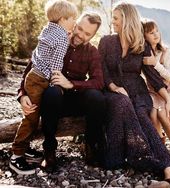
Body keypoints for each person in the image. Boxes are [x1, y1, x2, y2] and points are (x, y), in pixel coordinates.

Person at [12, 11, 106, 175]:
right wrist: (22, 95)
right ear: (75, 24)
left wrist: (71, 84)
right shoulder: (55, 40)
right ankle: (49, 150)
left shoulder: (92, 52)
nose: (81, 35)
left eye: (87, 34)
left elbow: (98, 82)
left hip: (75, 100)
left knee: (97, 97)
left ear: (93, 36)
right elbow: (32, 68)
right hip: (51, 102)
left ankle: (91, 146)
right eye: (80, 28)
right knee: (52, 92)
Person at [98, 1, 170, 185]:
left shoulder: (142, 45)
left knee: (142, 115)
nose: (113, 22)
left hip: (138, 92)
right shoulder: (106, 42)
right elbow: (102, 69)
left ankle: (167, 167)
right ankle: (148, 159)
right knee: (122, 103)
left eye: (116, 18)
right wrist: (113, 87)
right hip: (112, 91)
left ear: (127, 19)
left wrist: (167, 99)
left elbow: (152, 77)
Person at [10, 0, 78, 175]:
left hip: (33, 76)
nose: (74, 23)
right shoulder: (62, 38)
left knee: (33, 115)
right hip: (40, 80)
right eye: (72, 19)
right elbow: (56, 65)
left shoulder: (48, 29)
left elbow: (39, 54)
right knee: (31, 118)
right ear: (63, 19)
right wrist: (56, 83)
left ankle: (24, 148)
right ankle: (16, 156)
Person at [142, 18, 170, 161]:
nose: (155, 35)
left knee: (162, 112)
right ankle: (160, 145)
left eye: (156, 31)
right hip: (153, 91)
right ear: (144, 36)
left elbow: (169, 76)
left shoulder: (165, 51)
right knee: (153, 113)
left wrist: (155, 63)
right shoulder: (144, 53)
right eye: (150, 33)